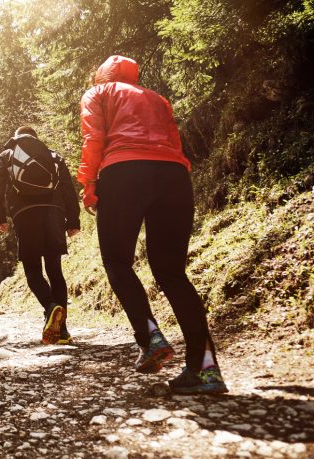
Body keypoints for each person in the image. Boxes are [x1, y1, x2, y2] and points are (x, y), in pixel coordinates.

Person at [79, 55, 227, 394]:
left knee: (117, 261)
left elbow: (93, 139)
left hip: (124, 172)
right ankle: (205, 370)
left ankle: (150, 338)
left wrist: (88, 184)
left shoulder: (98, 94)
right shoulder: (157, 98)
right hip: (174, 175)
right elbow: (175, 142)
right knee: (172, 272)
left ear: (101, 75)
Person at [0, 126, 80, 345]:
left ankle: (50, 308)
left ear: (17, 137)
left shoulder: (8, 153)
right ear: (36, 139)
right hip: (53, 214)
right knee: (55, 270)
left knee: (32, 270)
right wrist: (73, 220)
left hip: (24, 214)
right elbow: (68, 188)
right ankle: (63, 331)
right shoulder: (52, 156)